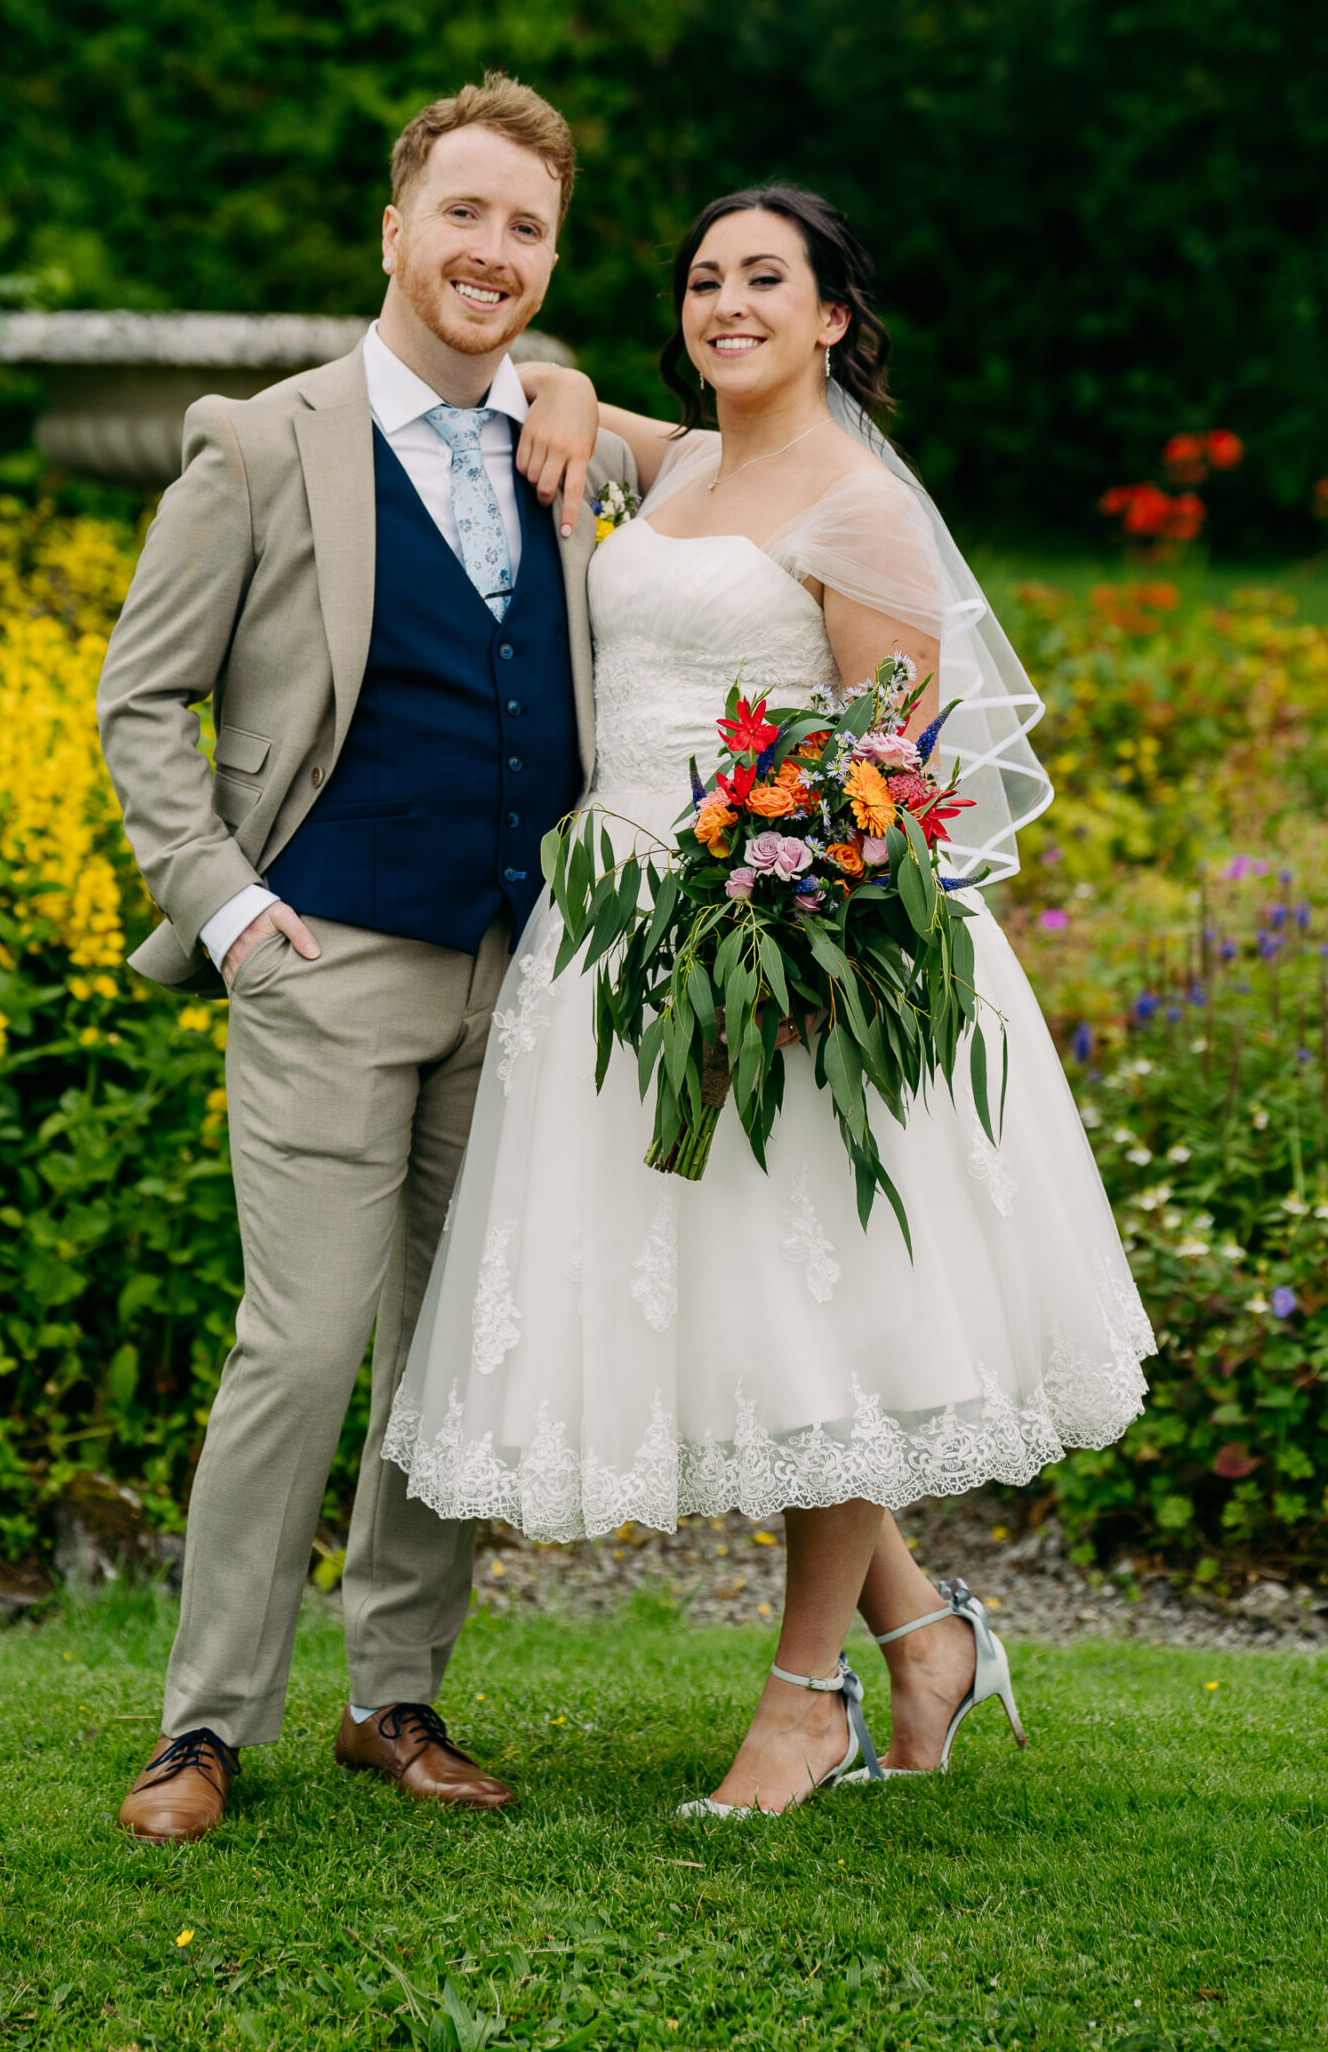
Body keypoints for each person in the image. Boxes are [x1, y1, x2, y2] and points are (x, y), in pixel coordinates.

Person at [385, 184, 1156, 1816]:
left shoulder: (860, 503)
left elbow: (896, 764)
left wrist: (802, 930)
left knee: (816, 1322)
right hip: (616, 934)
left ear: (830, 317)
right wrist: (579, 389)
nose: (727, 300)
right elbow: (572, 404)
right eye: (704, 278)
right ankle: (929, 1635)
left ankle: (808, 1699)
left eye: (765, 280)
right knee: (758, 1318)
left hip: (784, 946)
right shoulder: (689, 462)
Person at [96, 72, 634, 1841]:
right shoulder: (259, 443)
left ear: (551, 267)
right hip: (324, 958)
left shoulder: (562, 449)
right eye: (464, 215)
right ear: (396, 230)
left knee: (450, 1355)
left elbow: (750, 444)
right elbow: (142, 697)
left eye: (527, 230)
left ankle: (392, 1699)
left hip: (523, 968)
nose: (491, 252)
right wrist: (229, 903)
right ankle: (203, 1726)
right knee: (305, 1342)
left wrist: (567, 394)